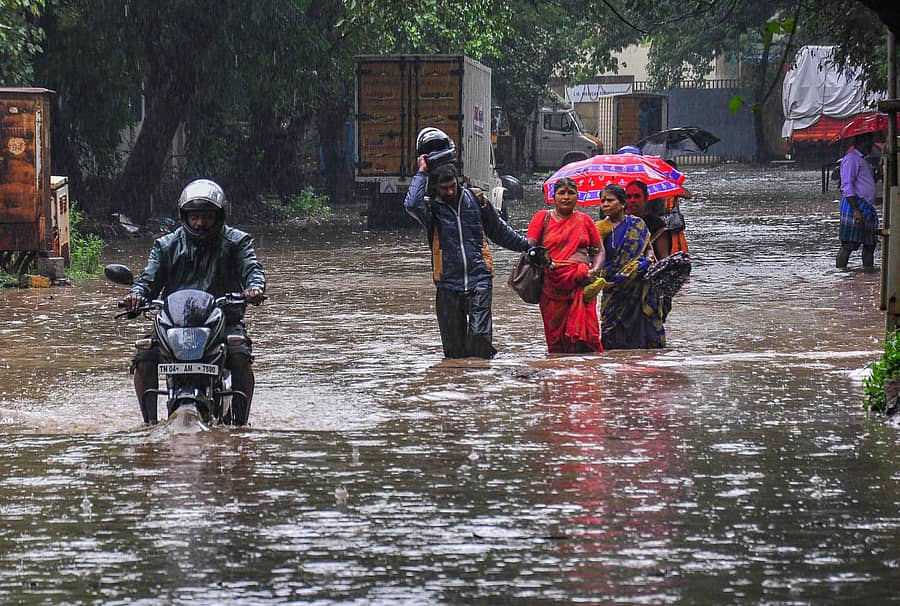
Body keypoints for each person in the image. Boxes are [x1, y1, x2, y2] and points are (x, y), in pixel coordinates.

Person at [123, 179, 266, 424]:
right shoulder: (166, 245)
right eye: (194, 217)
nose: (200, 224)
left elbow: (252, 269)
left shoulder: (237, 242)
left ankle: (241, 426)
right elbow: (148, 278)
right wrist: (136, 295)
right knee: (144, 356)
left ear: (219, 216)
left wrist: (255, 288)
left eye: (207, 217)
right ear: (185, 216)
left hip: (223, 320)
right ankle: (148, 424)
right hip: (173, 323)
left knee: (240, 355)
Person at [404, 154, 530, 359]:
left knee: (480, 340)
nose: (450, 191)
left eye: (453, 185)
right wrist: (421, 171)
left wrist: (527, 246)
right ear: (435, 187)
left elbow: (499, 231)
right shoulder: (432, 210)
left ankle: (480, 382)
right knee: (454, 352)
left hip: (479, 279)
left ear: (458, 181)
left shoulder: (477, 200)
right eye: (444, 188)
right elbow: (411, 204)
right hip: (447, 283)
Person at [527, 177, 604, 353]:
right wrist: (546, 262)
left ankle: (585, 378)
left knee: (589, 338)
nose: (566, 197)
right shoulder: (542, 218)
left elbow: (600, 250)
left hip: (581, 284)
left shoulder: (585, 220)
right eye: (561, 193)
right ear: (554, 197)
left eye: (571, 193)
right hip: (551, 285)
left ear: (578, 196)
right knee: (556, 342)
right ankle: (560, 375)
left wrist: (595, 270)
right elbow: (529, 249)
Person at [584, 184, 666, 349]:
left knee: (643, 333)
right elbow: (595, 256)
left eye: (610, 200)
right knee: (611, 333)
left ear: (622, 204)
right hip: (613, 286)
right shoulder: (598, 228)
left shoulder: (638, 224)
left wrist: (648, 260)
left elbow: (649, 249)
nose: (605, 204)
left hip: (638, 284)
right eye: (602, 201)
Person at [837, 132, 879, 268]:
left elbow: (863, 182)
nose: (871, 145)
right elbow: (847, 185)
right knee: (848, 245)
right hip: (855, 205)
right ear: (862, 142)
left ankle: (868, 274)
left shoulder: (862, 160)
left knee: (870, 244)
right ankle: (841, 274)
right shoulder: (851, 159)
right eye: (869, 142)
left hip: (865, 207)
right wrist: (856, 210)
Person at [625, 180, 671, 260]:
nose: (632, 200)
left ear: (646, 198)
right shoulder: (618, 222)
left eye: (637, 196)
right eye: (628, 197)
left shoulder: (656, 225)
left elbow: (664, 258)